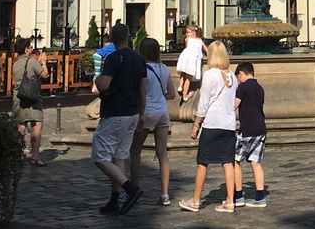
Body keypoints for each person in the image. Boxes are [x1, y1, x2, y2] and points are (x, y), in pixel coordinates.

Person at [91, 24, 147, 215]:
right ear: (130, 37)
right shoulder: (139, 59)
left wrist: (98, 81)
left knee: (100, 156)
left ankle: (130, 188)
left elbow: (104, 85)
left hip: (115, 112)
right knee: (119, 156)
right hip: (132, 112)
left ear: (112, 38)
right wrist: (141, 114)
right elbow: (143, 90)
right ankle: (114, 200)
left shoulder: (113, 58)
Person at [181, 41, 237, 213]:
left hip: (212, 123)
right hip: (228, 124)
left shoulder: (210, 74)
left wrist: (196, 124)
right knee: (228, 163)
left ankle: (196, 200)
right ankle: (230, 201)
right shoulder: (233, 76)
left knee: (202, 162)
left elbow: (204, 103)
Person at [130, 37, 173, 206]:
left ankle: (134, 188)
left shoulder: (142, 69)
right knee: (162, 154)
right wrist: (160, 97)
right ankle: (165, 194)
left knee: (135, 151)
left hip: (147, 113)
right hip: (162, 113)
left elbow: (139, 93)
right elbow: (171, 94)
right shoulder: (164, 68)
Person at [232, 61, 268, 208]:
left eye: (237, 76)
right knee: (255, 162)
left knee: (234, 160)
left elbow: (233, 105)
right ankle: (260, 197)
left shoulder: (243, 87)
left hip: (247, 130)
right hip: (261, 128)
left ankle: (238, 195)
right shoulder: (260, 88)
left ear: (241, 73)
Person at [10, 38, 47, 166]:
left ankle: (19, 154)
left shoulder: (16, 63)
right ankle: (35, 156)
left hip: (19, 95)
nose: (31, 49)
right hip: (32, 95)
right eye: (30, 47)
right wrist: (43, 63)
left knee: (21, 124)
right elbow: (44, 75)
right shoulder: (31, 62)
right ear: (26, 49)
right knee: (36, 124)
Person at [175, 24, 204, 103]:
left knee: (183, 72)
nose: (186, 34)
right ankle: (185, 96)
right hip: (193, 59)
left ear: (193, 33)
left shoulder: (187, 39)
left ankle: (180, 86)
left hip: (184, 56)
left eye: (187, 32)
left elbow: (187, 47)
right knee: (188, 78)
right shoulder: (200, 41)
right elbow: (205, 48)